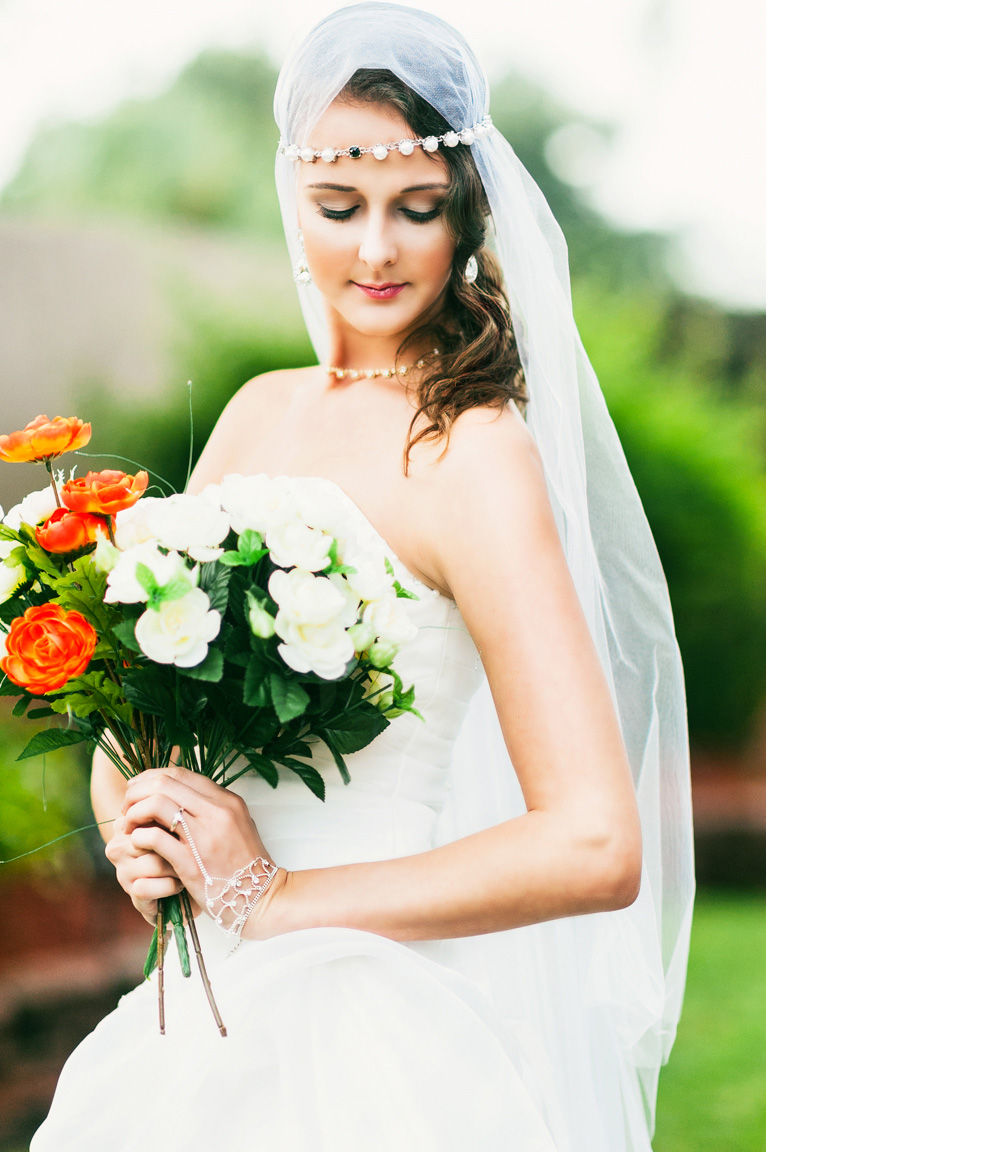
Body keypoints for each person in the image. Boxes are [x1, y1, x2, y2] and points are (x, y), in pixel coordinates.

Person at [31, 5, 694, 1150]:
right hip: (194, 1023)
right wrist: (137, 822)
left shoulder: (472, 450)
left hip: (370, 1033)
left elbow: (596, 841)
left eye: (416, 209)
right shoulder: (255, 413)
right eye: (341, 208)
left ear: (466, 217)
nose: (376, 250)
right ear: (294, 197)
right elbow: (142, 722)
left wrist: (279, 902)